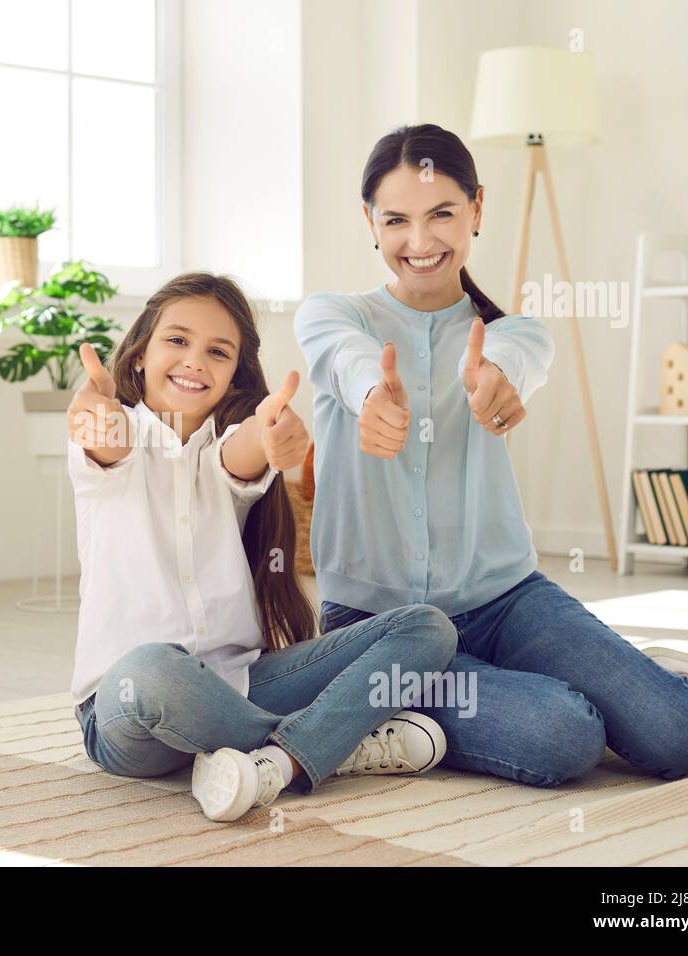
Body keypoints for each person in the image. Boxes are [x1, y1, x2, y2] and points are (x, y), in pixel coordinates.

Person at [293, 123, 688, 790]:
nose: (419, 242)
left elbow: (515, 357)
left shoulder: (515, 332)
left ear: (477, 209)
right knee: (564, 736)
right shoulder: (331, 316)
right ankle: (435, 693)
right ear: (370, 221)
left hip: (505, 601)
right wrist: (373, 396)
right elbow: (346, 360)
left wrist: (495, 382)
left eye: (442, 215)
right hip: (379, 626)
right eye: (396, 220)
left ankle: (659, 674)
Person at [68, 271, 457, 822]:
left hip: (242, 684)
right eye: (177, 341)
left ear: (233, 376)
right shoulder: (117, 441)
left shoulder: (223, 449)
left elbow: (245, 450)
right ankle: (330, 749)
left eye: (217, 352)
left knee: (426, 627)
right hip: (128, 709)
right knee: (152, 669)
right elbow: (106, 441)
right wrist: (98, 418)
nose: (195, 361)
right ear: (137, 356)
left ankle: (278, 762)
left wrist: (275, 436)